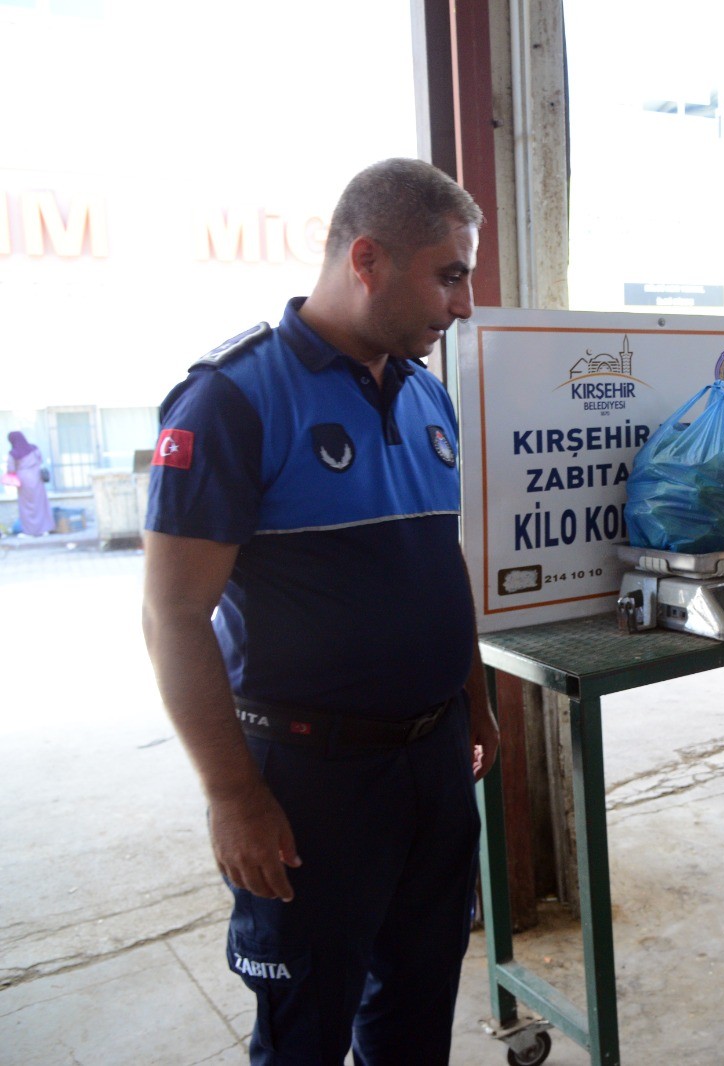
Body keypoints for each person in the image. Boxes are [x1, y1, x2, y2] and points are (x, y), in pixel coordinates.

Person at [141, 158, 499, 1066]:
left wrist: (474, 698)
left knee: (417, 1009)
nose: (463, 305)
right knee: (305, 1031)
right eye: (449, 274)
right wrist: (233, 796)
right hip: (309, 784)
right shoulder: (233, 400)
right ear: (368, 259)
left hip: (430, 764)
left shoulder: (425, 395)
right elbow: (173, 616)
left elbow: (438, 559)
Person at [6, 431, 52, 536]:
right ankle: (44, 530)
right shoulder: (34, 448)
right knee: (40, 504)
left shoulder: (14, 453)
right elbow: (40, 460)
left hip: (23, 480)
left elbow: (11, 469)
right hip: (37, 478)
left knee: (26, 507)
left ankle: (30, 531)